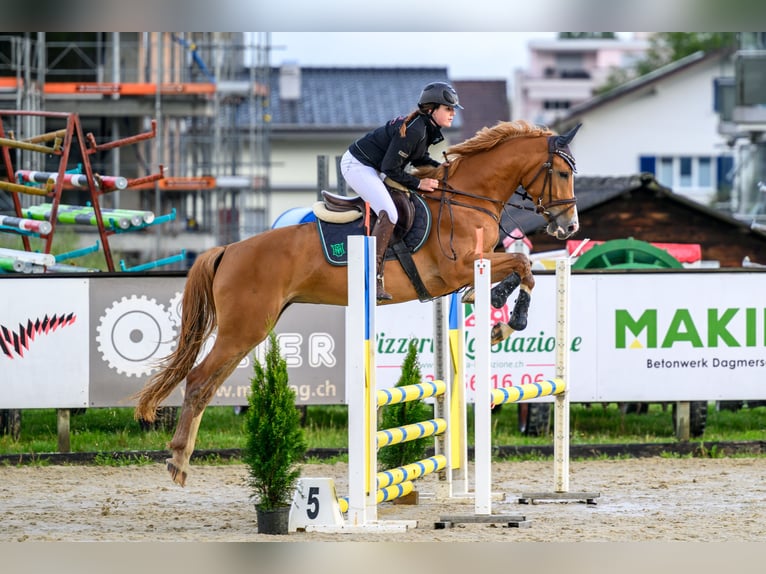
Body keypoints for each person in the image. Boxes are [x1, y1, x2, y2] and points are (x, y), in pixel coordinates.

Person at [340, 81, 462, 301]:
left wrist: (442, 169)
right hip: (357, 166)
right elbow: (390, 168)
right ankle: (373, 276)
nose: (453, 113)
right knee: (391, 212)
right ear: (432, 109)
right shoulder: (416, 129)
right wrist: (419, 184)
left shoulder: (425, 127)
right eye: (448, 108)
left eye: (453, 109)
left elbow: (418, 158)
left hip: (373, 167)